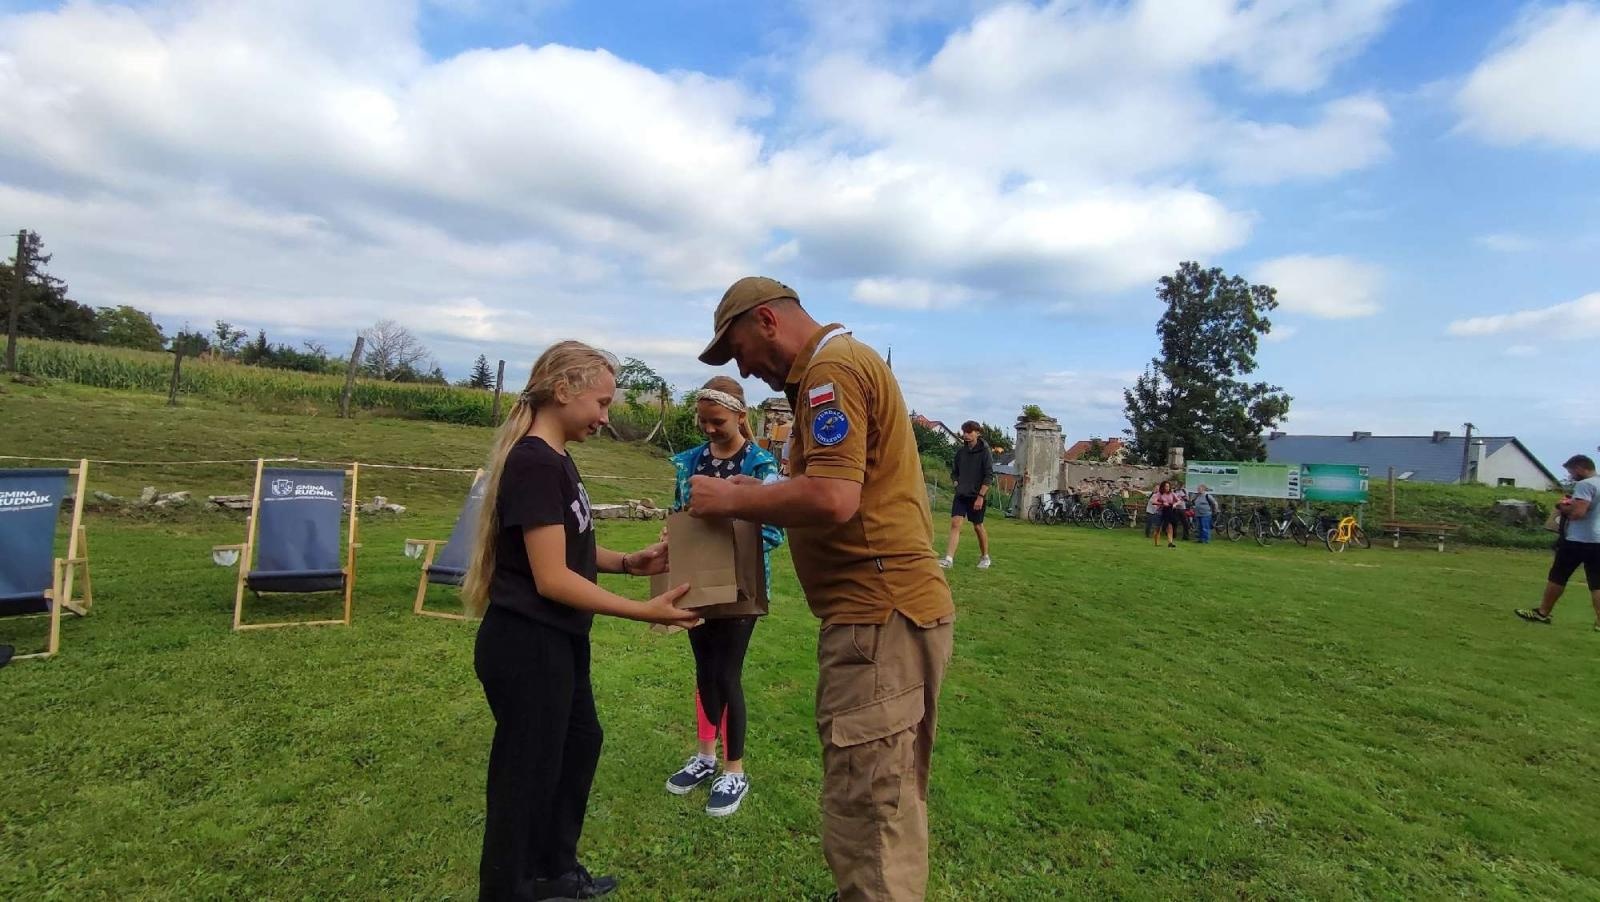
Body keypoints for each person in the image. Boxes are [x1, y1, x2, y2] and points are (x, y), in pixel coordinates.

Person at [686, 276, 955, 902]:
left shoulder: (831, 370)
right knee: (881, 792)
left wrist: (732, 495)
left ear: (767, 321)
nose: (744, 371)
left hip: (878, 617)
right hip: (886, 614)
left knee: (871, 803)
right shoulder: (835, 367)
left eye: (738, 350)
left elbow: (835, 497)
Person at [461, 341, 702, 902]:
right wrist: (644, 608)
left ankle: (553, 872)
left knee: (577, 745)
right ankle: (509, 889)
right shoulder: (534, 462)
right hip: (527, 644)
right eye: (601, 402)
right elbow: (551, 579)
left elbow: (566, 548)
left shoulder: (558, 460)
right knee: (526, 774)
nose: (605, 417)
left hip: (558, 640)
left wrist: (628, 563)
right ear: (564, 390)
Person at [663, 376, 785, 817]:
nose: (709, 429)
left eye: (717, 421)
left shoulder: (761, 467)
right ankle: (705, 757)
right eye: (703, 421)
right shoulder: (690, 461)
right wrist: (673, 531)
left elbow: (772, 531)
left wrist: (719, 532)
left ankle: (734, 769)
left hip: (739, 585)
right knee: (703, 669)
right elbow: (680, 511)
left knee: (726, 672)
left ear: (739, 416)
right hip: (695, 583)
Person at [1517, 454, 1600, 631]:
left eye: (1571, 472)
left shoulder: (1585, 484)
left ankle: (1543, 613)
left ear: (1579, 468)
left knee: (1558, 577)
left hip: (1578, 540)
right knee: (1597, 582)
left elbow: (1578, 513)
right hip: (1598, 540)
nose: (1571, 476)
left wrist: (1563, 507)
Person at [939, 421, 995, 570]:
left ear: (978, 433)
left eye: (969, 432)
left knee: (977, 527)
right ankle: (948, 559)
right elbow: (954, 472)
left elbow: (989, 476)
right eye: (964, 432)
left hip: (977, 496)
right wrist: (956, 483)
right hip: (961, 495)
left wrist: (980, 497)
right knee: (955, 524)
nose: (966, 435)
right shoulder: (961, 452)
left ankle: (985, 557)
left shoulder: (985, 452)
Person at [1150, 480, 1180, 548]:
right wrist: (1162, 503)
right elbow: (1153, 501)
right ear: (1162, 487)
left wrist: (1175, 504)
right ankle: (1156, 542)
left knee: (1170, 527)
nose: (1167, 488)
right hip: (1160, 512)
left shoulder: (1172, 493)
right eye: (1166, 486)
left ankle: (1170, 542)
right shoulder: (1159, 494)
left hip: (1168, 512)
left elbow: (1179, 500)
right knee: (1158, 528)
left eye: (1168, 486)